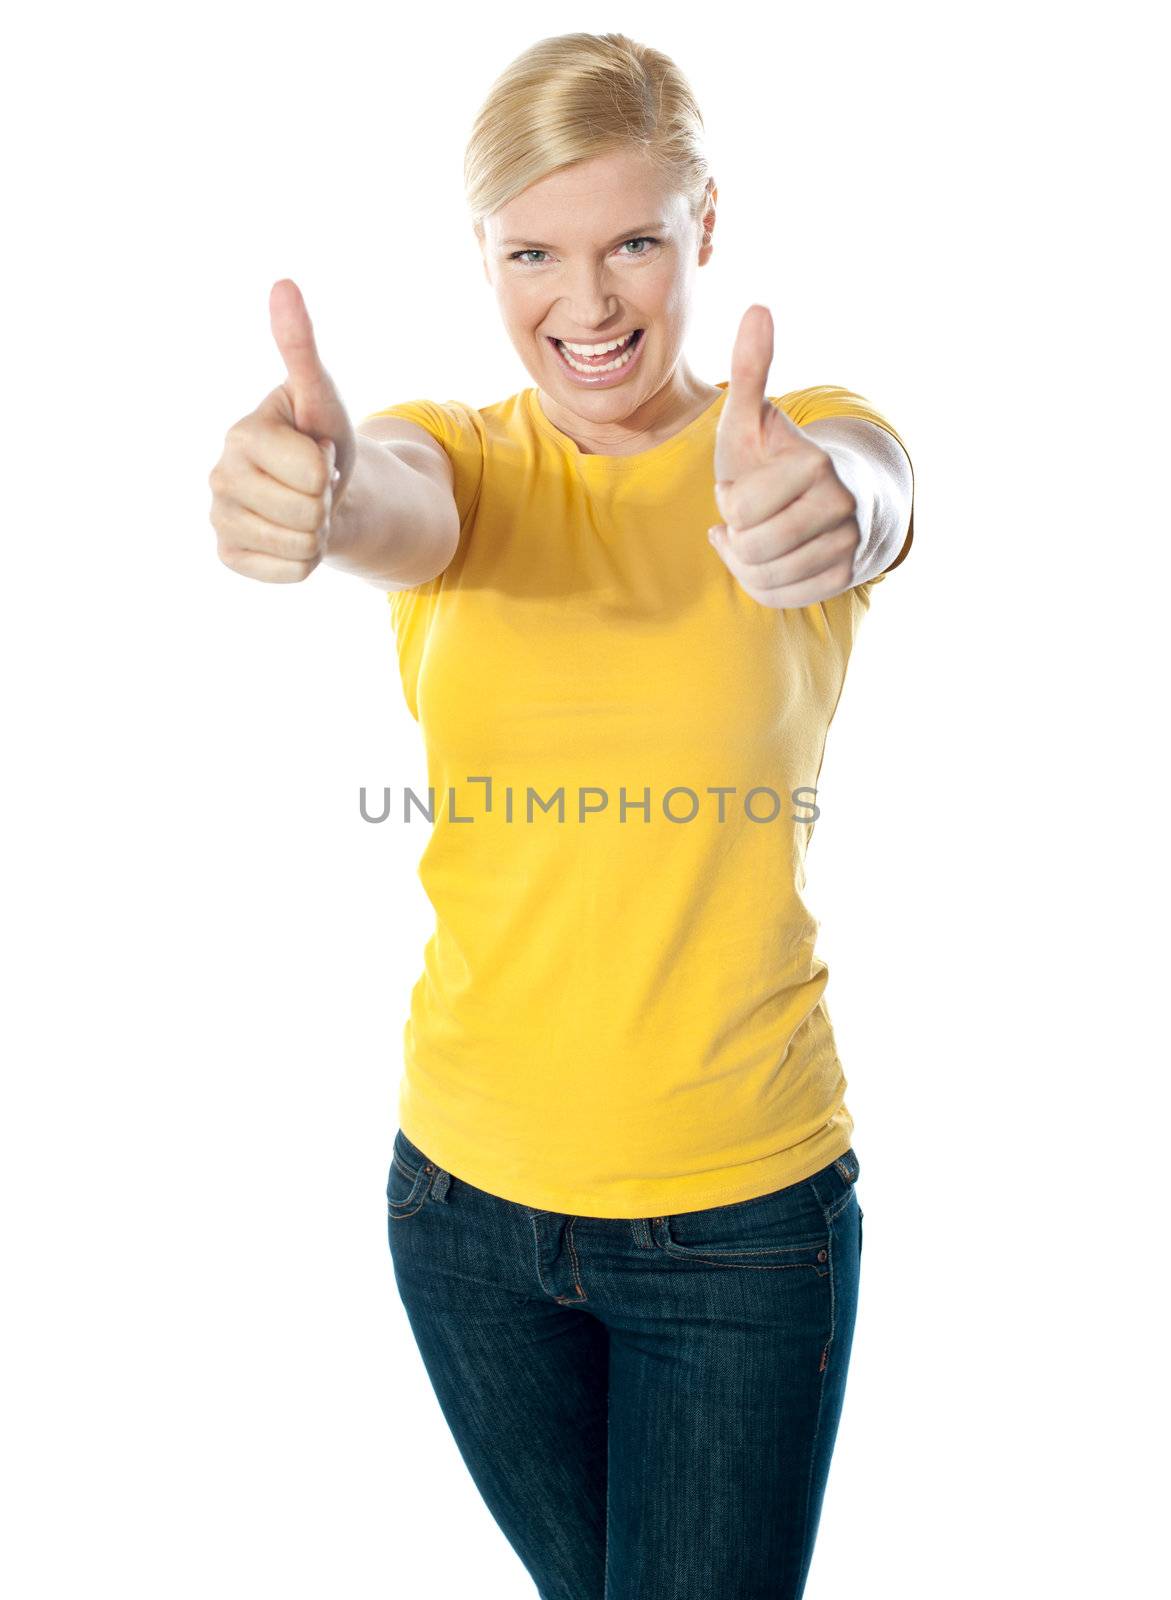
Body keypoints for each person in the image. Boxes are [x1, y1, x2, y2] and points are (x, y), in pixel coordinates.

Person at [208, 29, 914, 1600]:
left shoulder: (791, 443)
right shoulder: (457, 463)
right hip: (462, 1214)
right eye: (533, 252)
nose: (586, 306)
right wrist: (310, 494)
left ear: (705, 228)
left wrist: (838, 504)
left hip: (738, 1224)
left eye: (634, 244)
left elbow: (872, 484)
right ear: (483, 254)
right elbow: (385, 497)